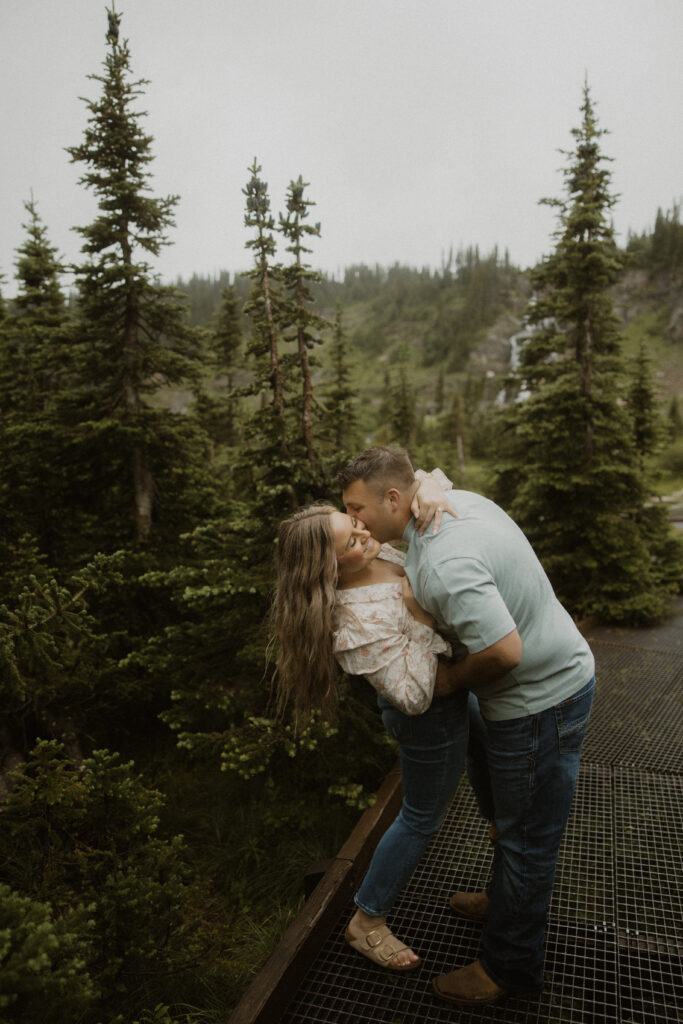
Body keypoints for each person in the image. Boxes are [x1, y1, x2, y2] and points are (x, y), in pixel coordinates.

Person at [338, 446, 595, 1007]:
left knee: (526, 841)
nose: (355, 522)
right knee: (516, 823)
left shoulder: (444, 562)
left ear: (394, 499)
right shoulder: (456, 503)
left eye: (358, 510)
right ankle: (506, 900)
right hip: (554, 680)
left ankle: (508, 970)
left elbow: (504, 652)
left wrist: (450, 683)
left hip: (539, 703)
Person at [273, 492, 472, 972]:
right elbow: (412, 696)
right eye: (352, 541)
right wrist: (419, 616)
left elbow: (413, 488)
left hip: (460, 698)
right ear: (329, 571)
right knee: (421, 816)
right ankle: (367, 920)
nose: (366, 534)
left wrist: (425, 487)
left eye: (354, 523)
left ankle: (498, 887)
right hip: (429, 721)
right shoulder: (355, 621)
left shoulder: (374, 555)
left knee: (485, 763)